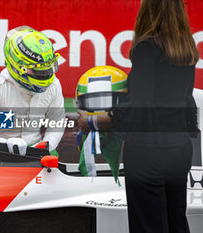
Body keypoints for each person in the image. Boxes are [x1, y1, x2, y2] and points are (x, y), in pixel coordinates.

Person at [77, 0, 199, 232]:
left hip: (148, 151)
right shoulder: (187, 47)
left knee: (148, 225)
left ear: (148, 9)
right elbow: (186, 100)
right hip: (180, 149)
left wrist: (91, 121)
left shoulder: (147, 47)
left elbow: (140, 106)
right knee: (176, 223)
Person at [0, 26, 65, 156]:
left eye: (47, 68)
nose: (45, 74)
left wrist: (46, 145)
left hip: (39, 151)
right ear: (17, 66)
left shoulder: (54, 84)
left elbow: (57, 121)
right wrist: (7, 145)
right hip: (0, 153)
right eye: (37, 70)